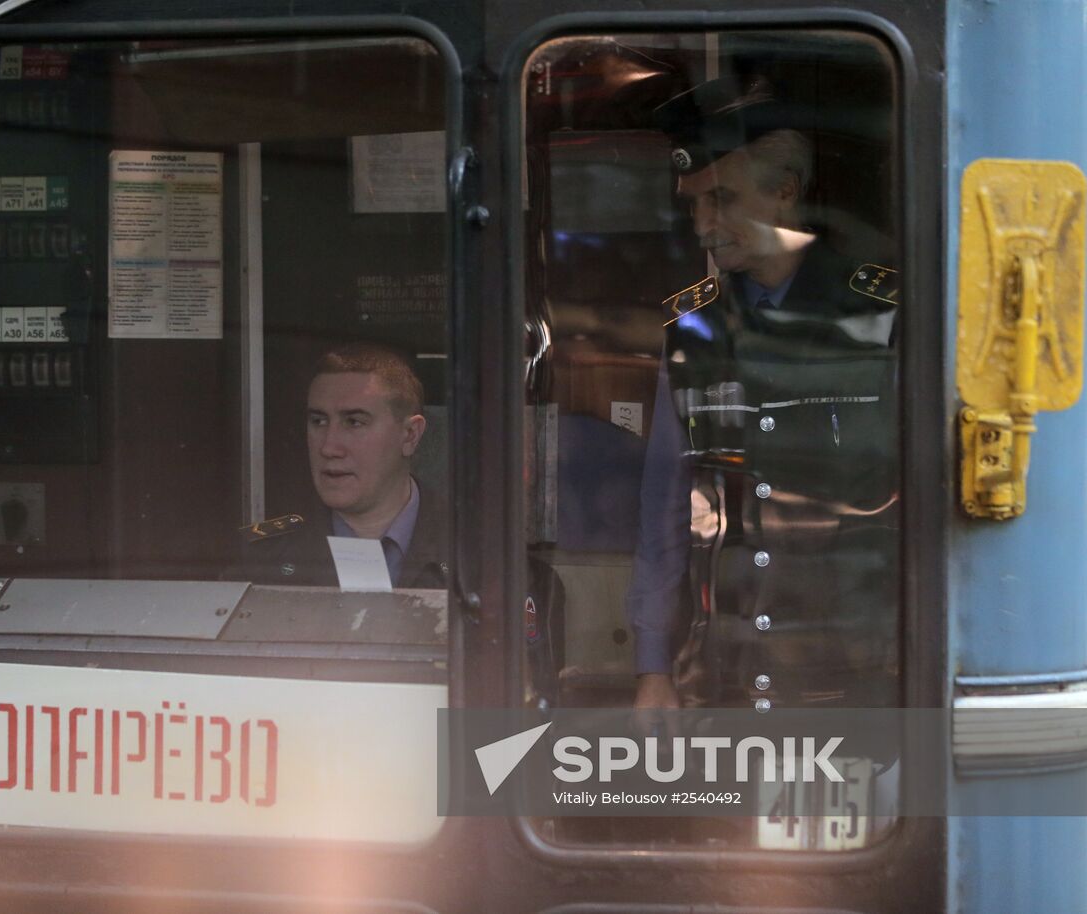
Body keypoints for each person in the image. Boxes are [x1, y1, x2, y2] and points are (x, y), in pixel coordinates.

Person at [629, 78, 899, 712]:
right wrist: (652, 665)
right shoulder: (691, 330)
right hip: (722, 670)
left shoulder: (883, 318)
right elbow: (664, 509)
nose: (703, 226)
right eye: (693, 204)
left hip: (860, 673)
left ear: (784, 192)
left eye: (722, 199)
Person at [234, 342, 564, 701]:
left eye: (354, 422)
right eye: (318, 421)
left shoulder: (489, 563)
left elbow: (526, 711)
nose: (329, 446)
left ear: (410, 435)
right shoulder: (258, 558)